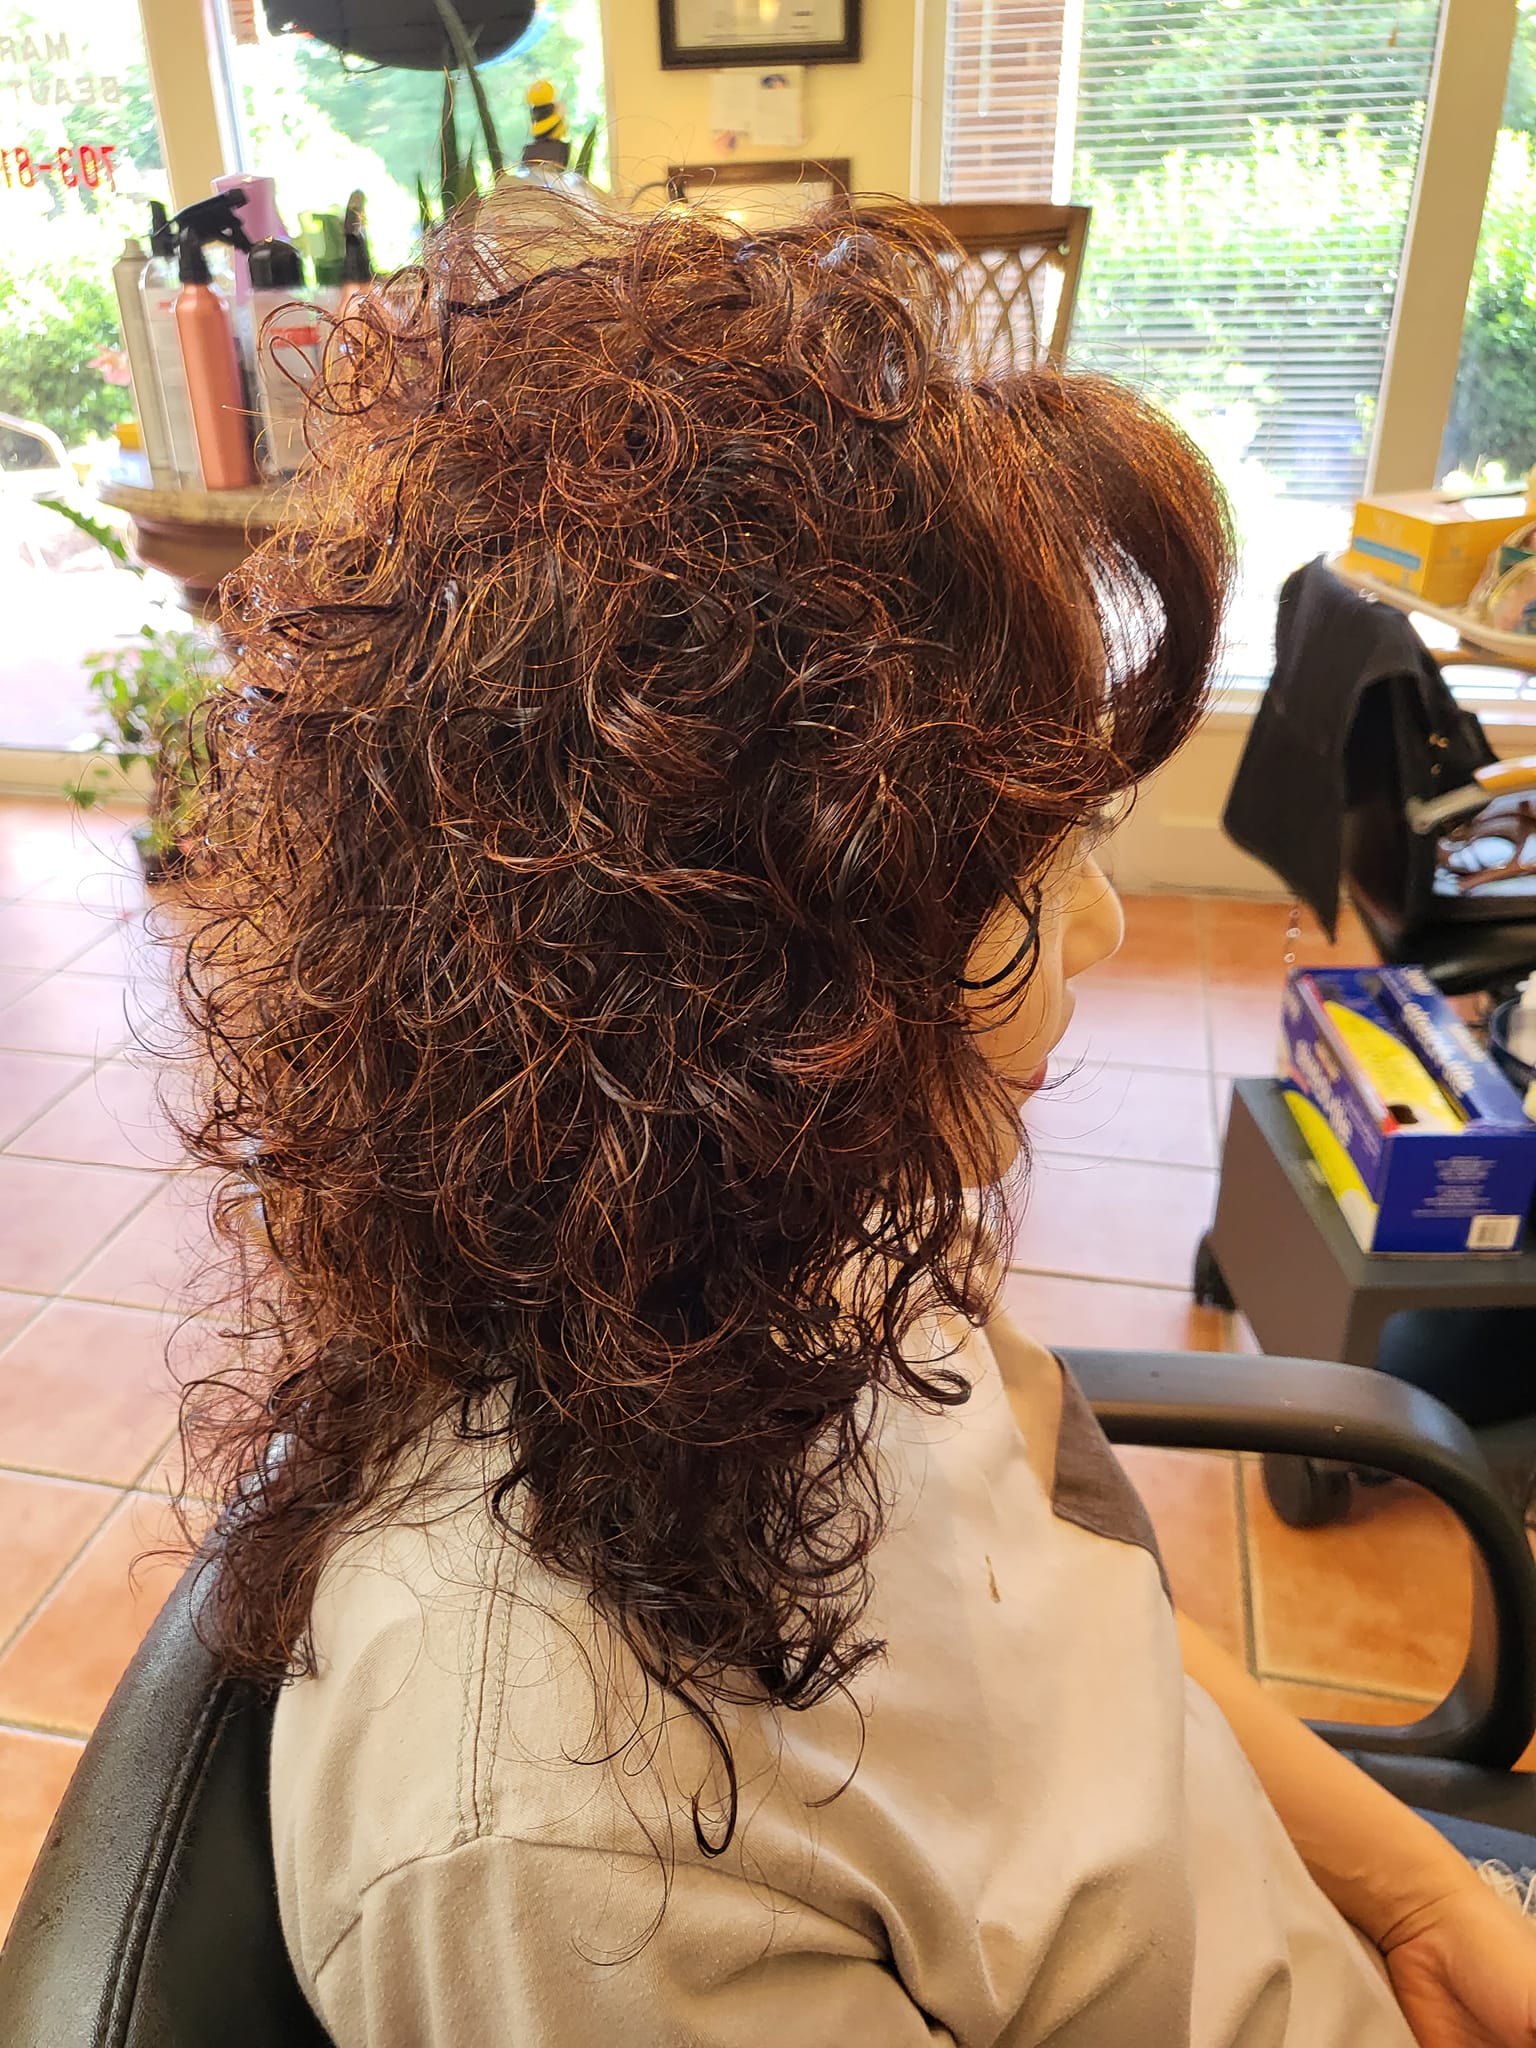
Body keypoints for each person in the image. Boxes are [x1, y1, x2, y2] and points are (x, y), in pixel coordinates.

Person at [174, 191, 1536, 2045]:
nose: (1103, 931)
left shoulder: (786, 1224)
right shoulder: (569, 1856)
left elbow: (1081, 1619)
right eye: (1023, 868)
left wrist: (1425, 1893)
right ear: (728, 947)